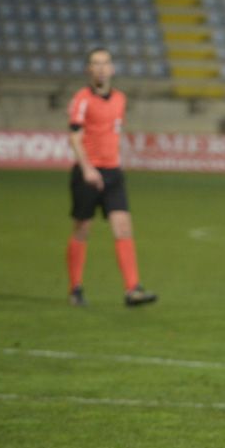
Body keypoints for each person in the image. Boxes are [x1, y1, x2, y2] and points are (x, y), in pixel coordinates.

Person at [65, 47, 157, 308]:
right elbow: (74, 136)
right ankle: (75, 288)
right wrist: (87, 168)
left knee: (123, 227)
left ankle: (132, 289)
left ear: (112, 69)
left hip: (113, 172)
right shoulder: (81, 99)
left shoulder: (120, 99)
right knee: (82, 229)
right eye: (96, 63)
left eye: (105, 63)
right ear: (89, 69)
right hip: (87, 172)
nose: (102, 68)